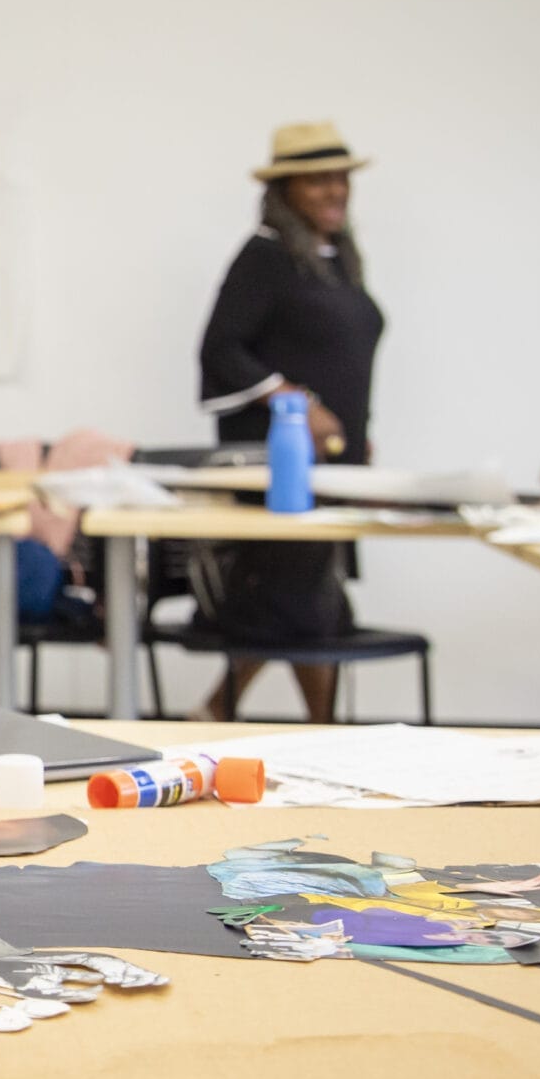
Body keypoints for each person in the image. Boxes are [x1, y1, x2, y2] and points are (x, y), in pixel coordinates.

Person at [189, 120, 386, 721]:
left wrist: (357, 429)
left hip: (334, 461)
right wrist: (294, 401)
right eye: (317, 180)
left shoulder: (334, 260)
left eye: (340, 178)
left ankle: (230, 711)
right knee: (297, 599)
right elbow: (221, 348)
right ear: (285, 190)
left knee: (312, 599)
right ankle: (300, 724)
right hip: (282, 464)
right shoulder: (266, 256)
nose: (334, 190)